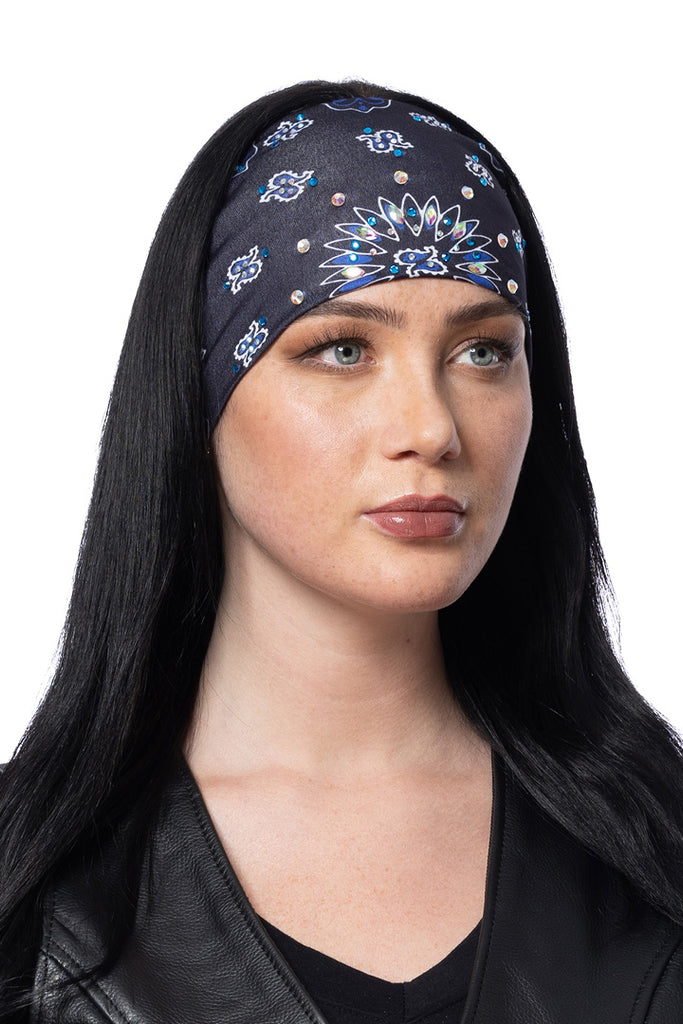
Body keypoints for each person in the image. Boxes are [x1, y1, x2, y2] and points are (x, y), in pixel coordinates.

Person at [1, 79, 682, 1023]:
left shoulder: (655, 852)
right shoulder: (35, 908)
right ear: (202, 394)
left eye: (483, 352)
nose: (431, 428)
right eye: (343, 350)